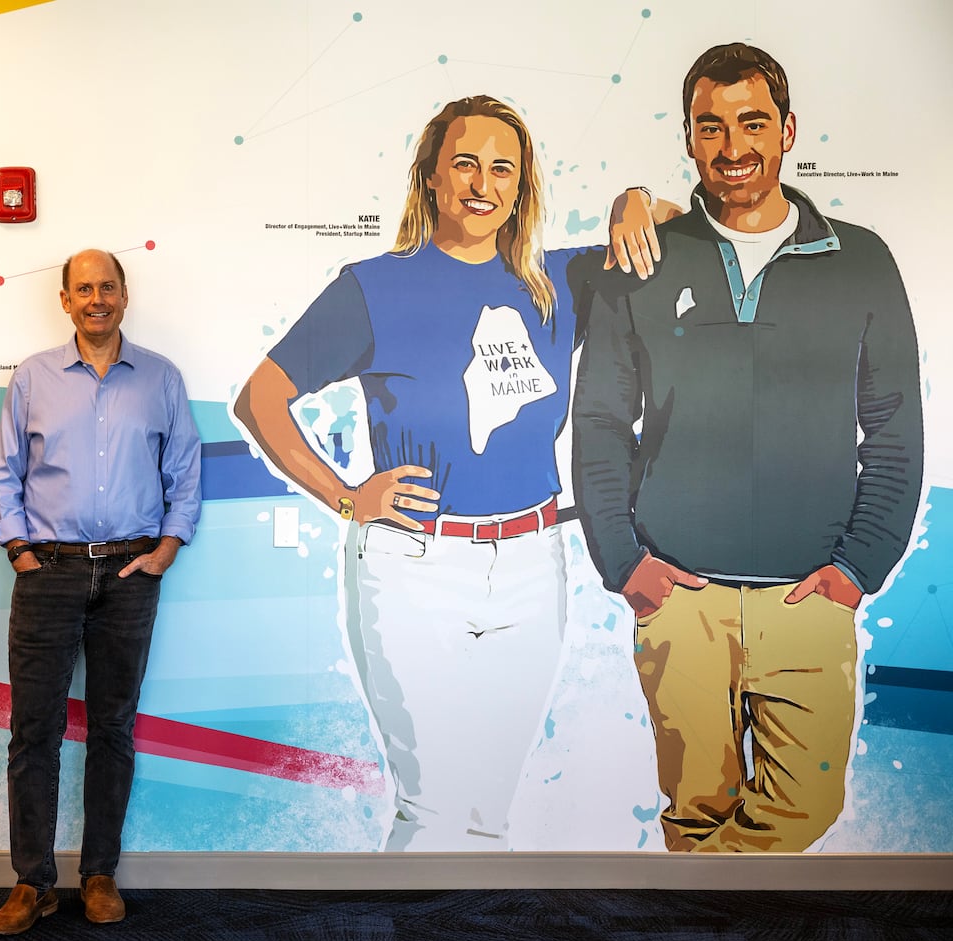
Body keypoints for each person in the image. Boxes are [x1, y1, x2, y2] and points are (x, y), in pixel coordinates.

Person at [234, 95, 676, 851]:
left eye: (503, 167)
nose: (482, 182)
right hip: (414, 565)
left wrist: (633, 199)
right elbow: (260, 398)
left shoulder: (560, 279)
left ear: (522, 185)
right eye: (464, 162)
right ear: (431, 178)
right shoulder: (373, 286)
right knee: (431, 809)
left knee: (485, 814)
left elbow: (672, 225)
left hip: (535, 565)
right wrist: (346, 495)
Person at [572, 43, 923, 852]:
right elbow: (598, 421)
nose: (733, 148)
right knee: (694, 811)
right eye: (711, 127)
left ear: (789, 129)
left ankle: (690, 922)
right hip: (679, 602)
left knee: (805, 806)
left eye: (753, 122)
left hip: (808, 600)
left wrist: (856, 568)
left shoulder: (862, 259)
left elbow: (896, 426)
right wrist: (624, 564)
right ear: (689, 139)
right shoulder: (644, 258)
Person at [0, 249, 201, 934]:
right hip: (49, 572)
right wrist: (21, 551)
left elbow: (185, 470)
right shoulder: (32, 377)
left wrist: (166, 549)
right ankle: (32, 882)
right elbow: (5, 472)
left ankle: (99, 874)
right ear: (65, 300)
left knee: (113, 729)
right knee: (34, 733)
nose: (96, 298)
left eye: (107, 286)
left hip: (131, 577)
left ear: (124, 294)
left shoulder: (161, 379)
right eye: (84, 288)